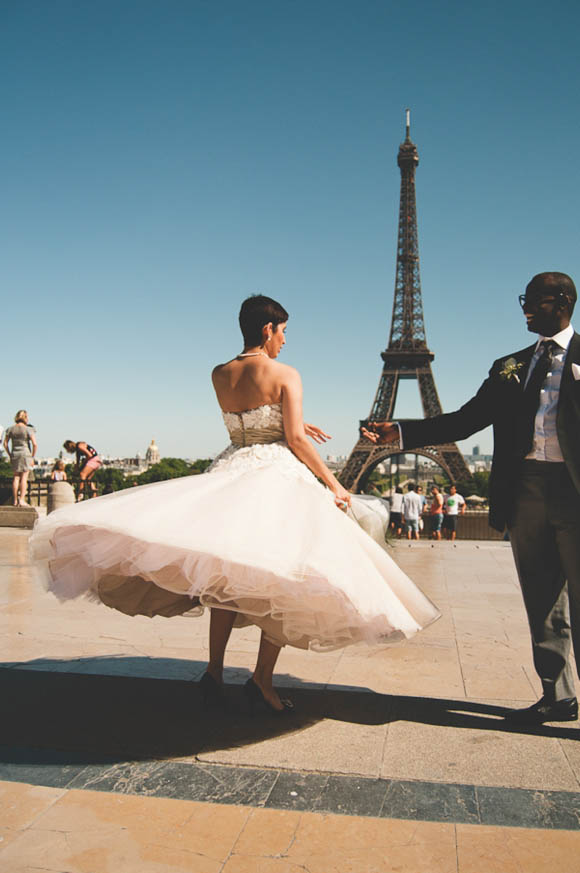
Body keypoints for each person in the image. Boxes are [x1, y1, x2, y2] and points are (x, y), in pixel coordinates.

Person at [31, 294, 439, 714]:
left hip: (232, 468)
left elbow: (248, 418)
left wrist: (289, 422)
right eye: (283, 333)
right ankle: (262, 680)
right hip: (277, 478)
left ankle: (214, 670)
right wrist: (334, 483)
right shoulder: (286, 373)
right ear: (268, 329)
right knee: (287, 577)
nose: (284, 342)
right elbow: (294, 440)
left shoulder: (218, 373)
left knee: (223, 577)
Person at [362, 271, 580, 725]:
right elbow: (464, 422)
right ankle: (557, 695)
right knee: (541, 599)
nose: (524, 307)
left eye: (534, 300)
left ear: (561, 301)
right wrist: (401, 431)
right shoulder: (510, 365)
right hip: (524, 492)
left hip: (575, 491)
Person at [3, 410, 37, 506]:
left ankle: (15, 500)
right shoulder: (28, 429)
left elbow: (5, 443)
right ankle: (21, 499)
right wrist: (32, 457)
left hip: (15, 453)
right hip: (25, 453)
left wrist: (10, 454)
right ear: (25, 417)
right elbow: (35, 444)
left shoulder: (10, 429)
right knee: (24, 478)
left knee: (16, 477)